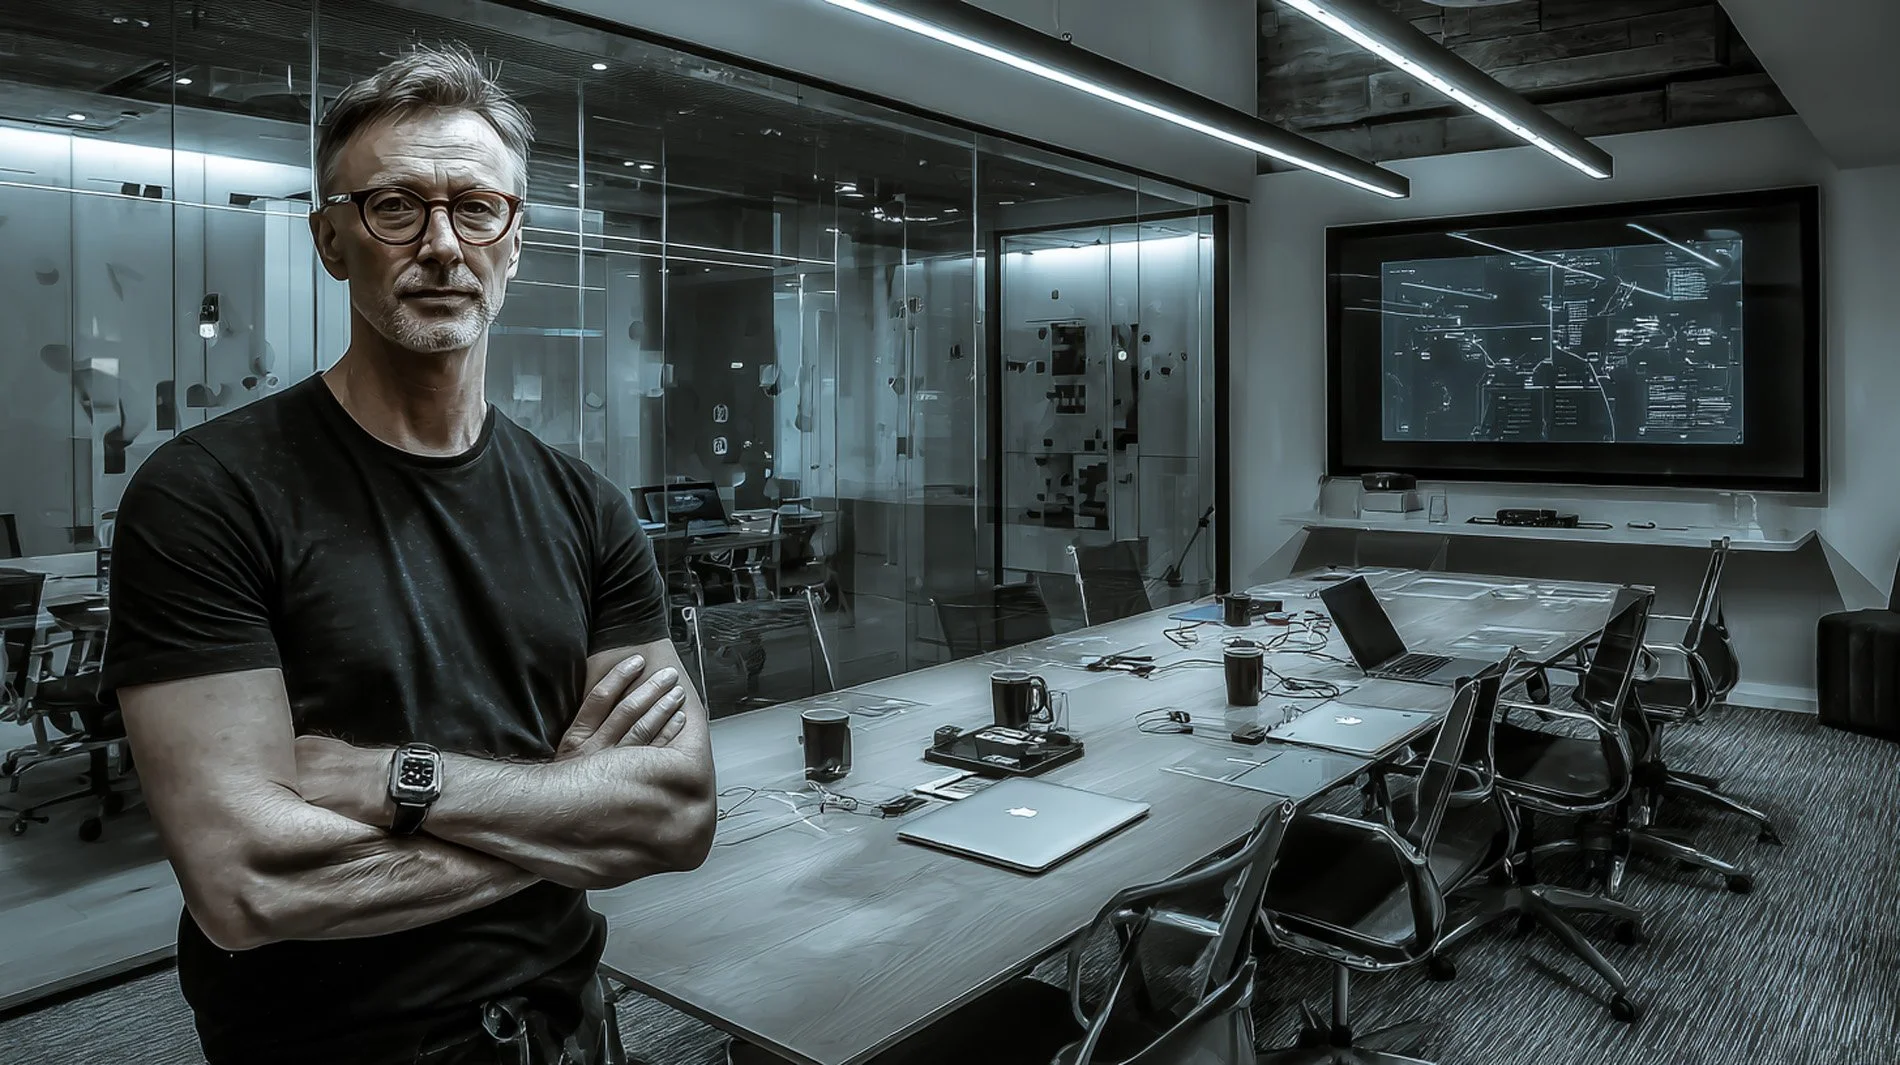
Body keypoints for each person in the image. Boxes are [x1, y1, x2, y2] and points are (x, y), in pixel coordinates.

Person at [100, 44, 716, 1065]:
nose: (442, 245)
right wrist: (571, 812)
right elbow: (249, 885)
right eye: (395, 207)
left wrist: (402, 781)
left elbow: (677, 814)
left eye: (477, 209)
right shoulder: (207, 495)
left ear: (514, 243)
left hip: (562, 1029)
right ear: (332, 242)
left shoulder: (585, 506)